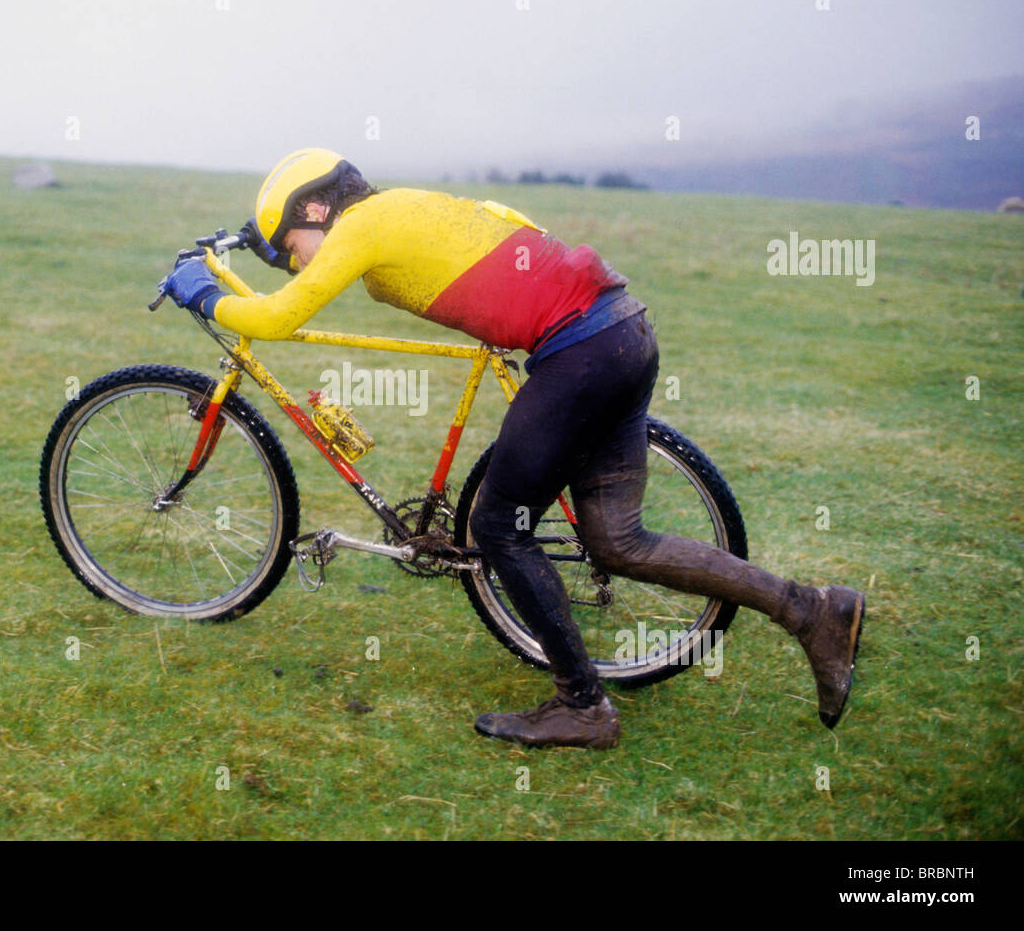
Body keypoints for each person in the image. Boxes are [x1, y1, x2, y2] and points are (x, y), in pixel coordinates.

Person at [162, 148, 865, 749]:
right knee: (617, 542)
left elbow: (283, 315)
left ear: (316, 211)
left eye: (289, 247)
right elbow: (514, 227)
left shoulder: (364, 225)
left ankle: (583, 707)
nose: (294, 265)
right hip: (623, 331)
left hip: (581, 355)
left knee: (499, 527)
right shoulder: (408, 204)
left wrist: (203, 296)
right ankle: (813, 610)